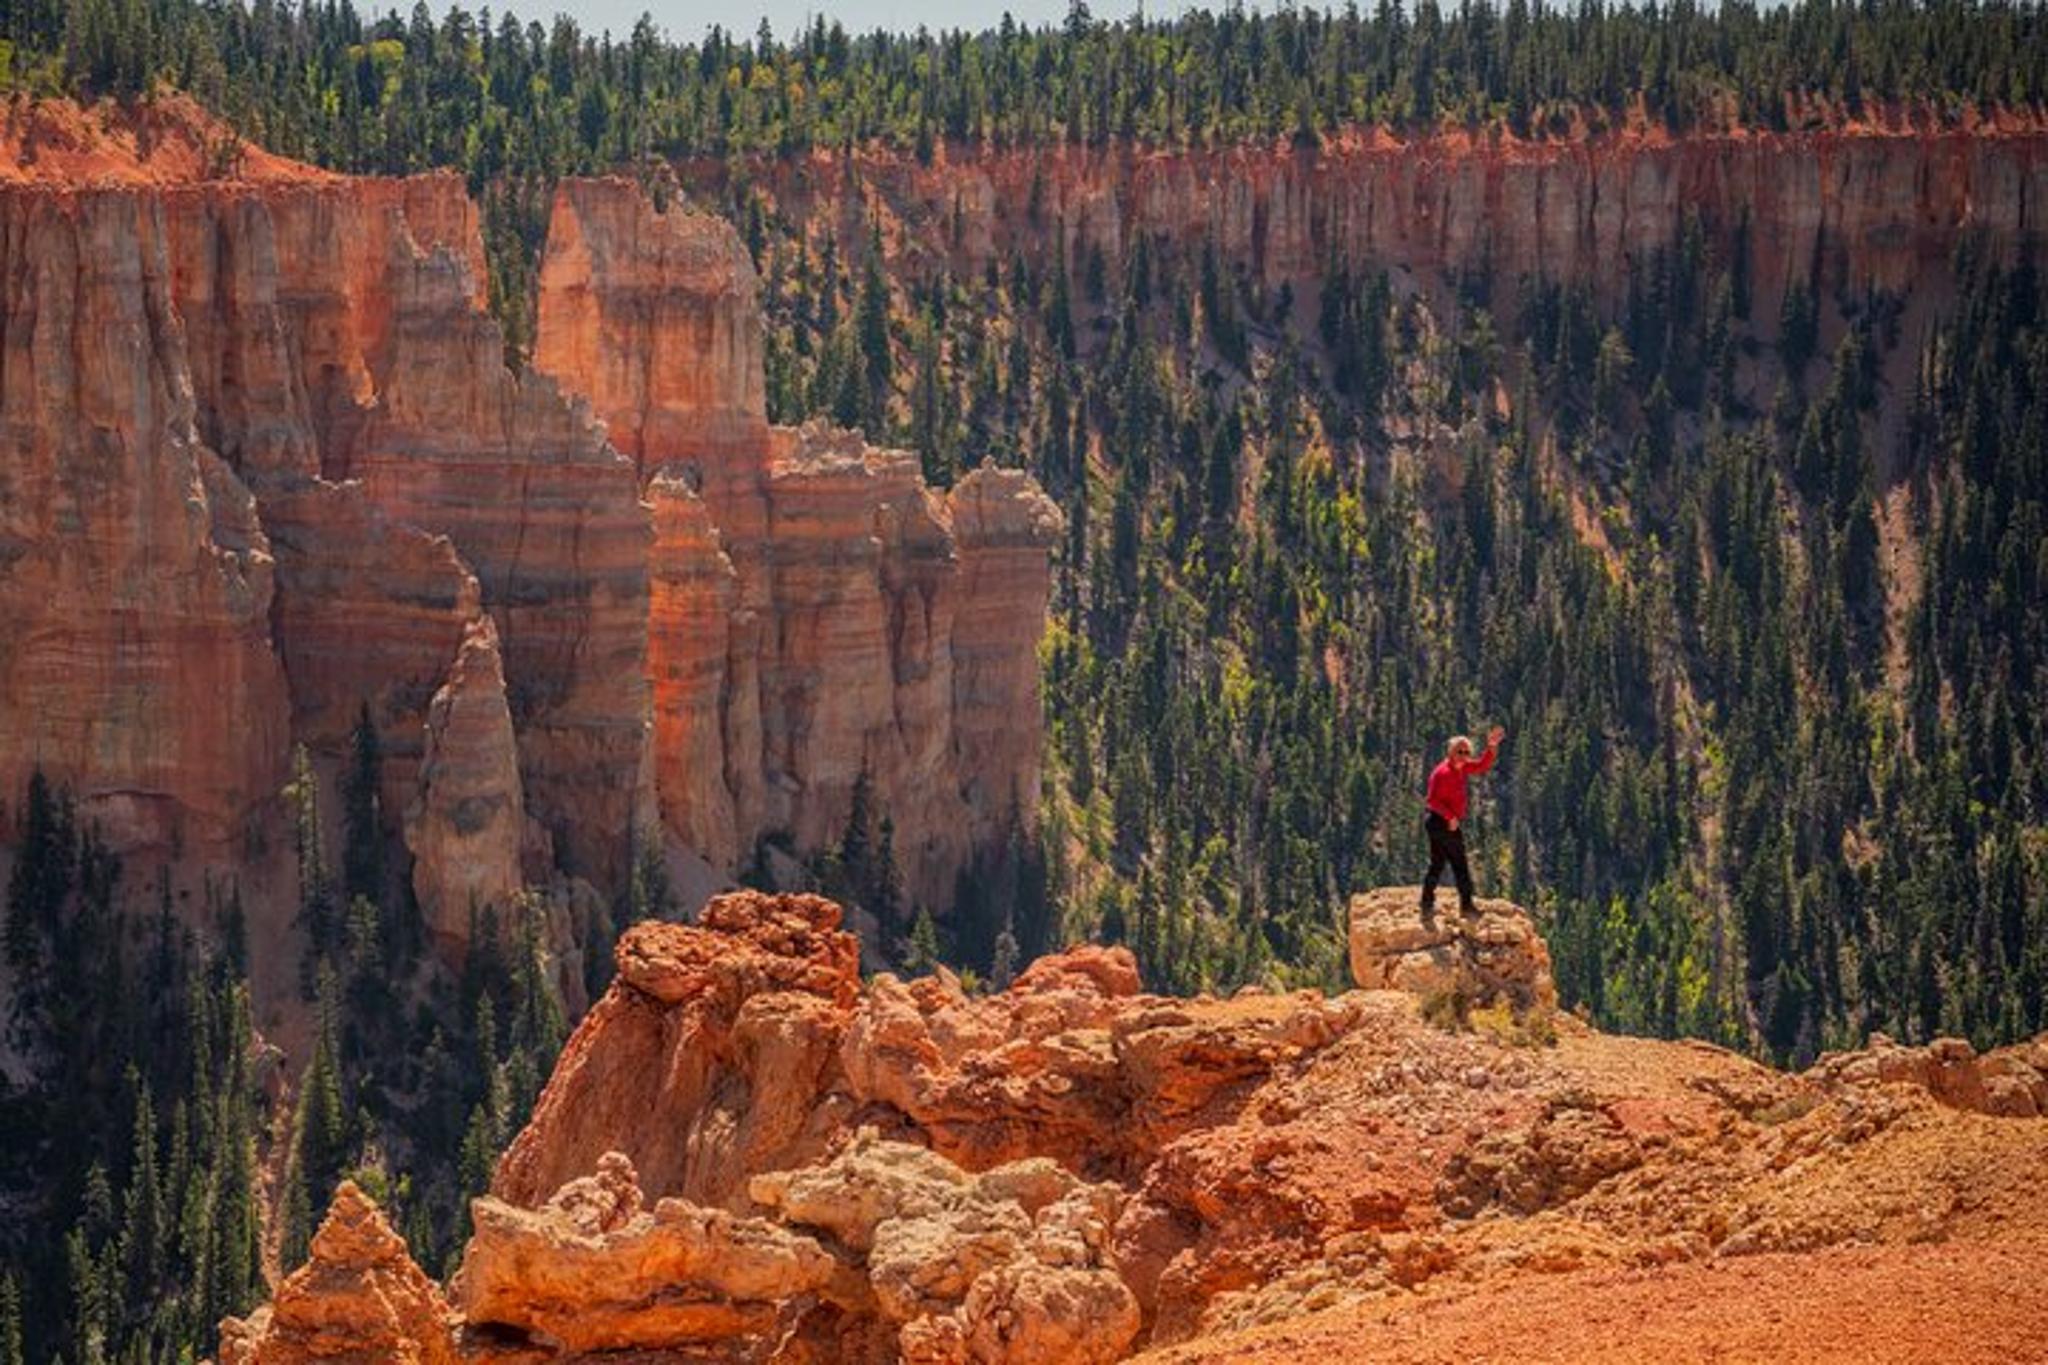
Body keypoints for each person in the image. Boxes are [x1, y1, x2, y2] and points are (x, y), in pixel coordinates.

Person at [1420, 725, 1506, 918]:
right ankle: (1466, 906)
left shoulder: (1462, 767)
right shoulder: (1441, 773)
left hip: (1444, 822)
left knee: (1437, 863)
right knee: (1460, 863)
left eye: (1467, 752)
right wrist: (1449, 817)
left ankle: (1426, 902)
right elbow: (1431, 800)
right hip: (1440, 822)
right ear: (1450, 752)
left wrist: (1491, 747)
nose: (1464, 755)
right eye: (1459, 751)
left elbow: (1482, 765)